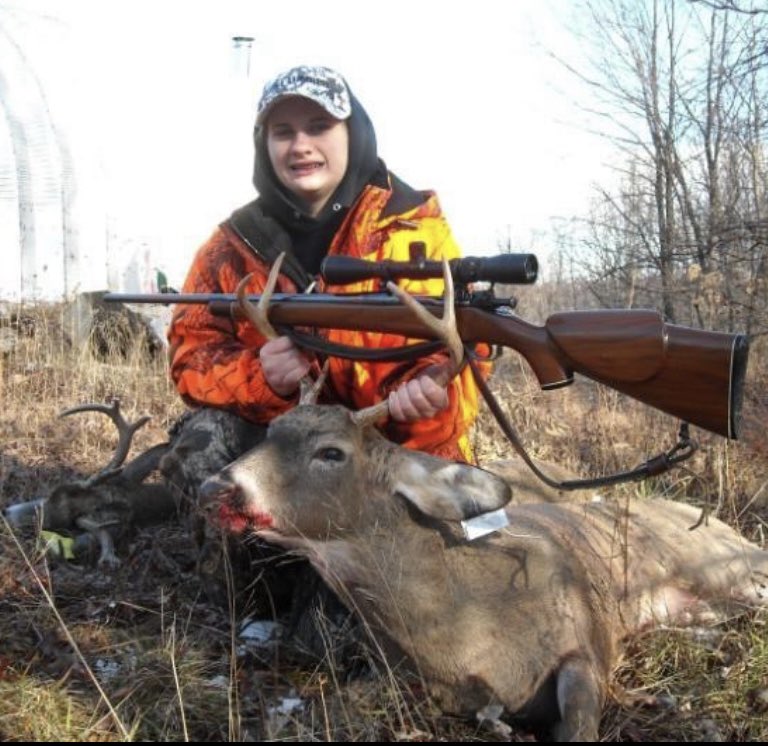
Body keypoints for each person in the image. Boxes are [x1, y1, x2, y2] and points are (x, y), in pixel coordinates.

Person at [159, 65, 491, 647]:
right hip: (289, 460)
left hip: (378, 468)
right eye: (283, 131)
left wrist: (427, 399)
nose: (301, 145)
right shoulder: (230, 246)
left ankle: (320, 597)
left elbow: (462, 357)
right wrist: (259, 377)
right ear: (264, 144)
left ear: (352, 133)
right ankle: (258, 596)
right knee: (202, 440)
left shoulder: (412, 228)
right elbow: (191, 356)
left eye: (318, 126)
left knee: (330, 645)